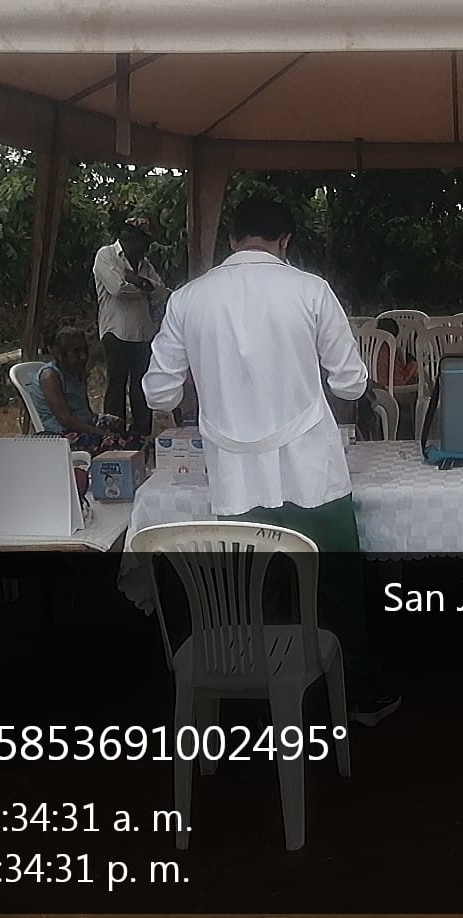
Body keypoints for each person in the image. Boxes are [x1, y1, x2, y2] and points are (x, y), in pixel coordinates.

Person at [142, 196, 400, 726]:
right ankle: (361, 696)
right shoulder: (311, 290)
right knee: (336, 589)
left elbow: (158, 392)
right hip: (312, 473)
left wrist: (212, 384)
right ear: (286, 241)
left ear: (232, 239)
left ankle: (256, 703)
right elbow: (351, 382)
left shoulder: (188, 300)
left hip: (235, 480)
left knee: (249, 595)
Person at [93, 218, 166, 437]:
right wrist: (144, 286)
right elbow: (117, 288)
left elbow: (161, 292)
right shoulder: (105, 255)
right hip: (116, 331)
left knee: (141, 387)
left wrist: (138, 281)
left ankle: (140, 435)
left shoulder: (144, 265)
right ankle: (114, 437)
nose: (146, 248)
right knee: (116, 386)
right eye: (144, 242)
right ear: (129, 240)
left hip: (142, 333)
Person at [31, 327, 144, 454]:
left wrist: (101, 425)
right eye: (76, 351)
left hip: (84, 424)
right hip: (64, 434)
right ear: (62, 354)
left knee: (124, 430)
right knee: (118, 443)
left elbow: (84, 409)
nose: (83, 356)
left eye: (85, 350)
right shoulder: (50, 376)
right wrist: (102, 433)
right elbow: (67, 420)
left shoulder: (74, 371)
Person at [373, 318, 419, 387]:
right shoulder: (388, 348)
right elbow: (398, 375)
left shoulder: (372, 346)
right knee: (415, 366)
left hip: (375, 383)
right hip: (392, 383)